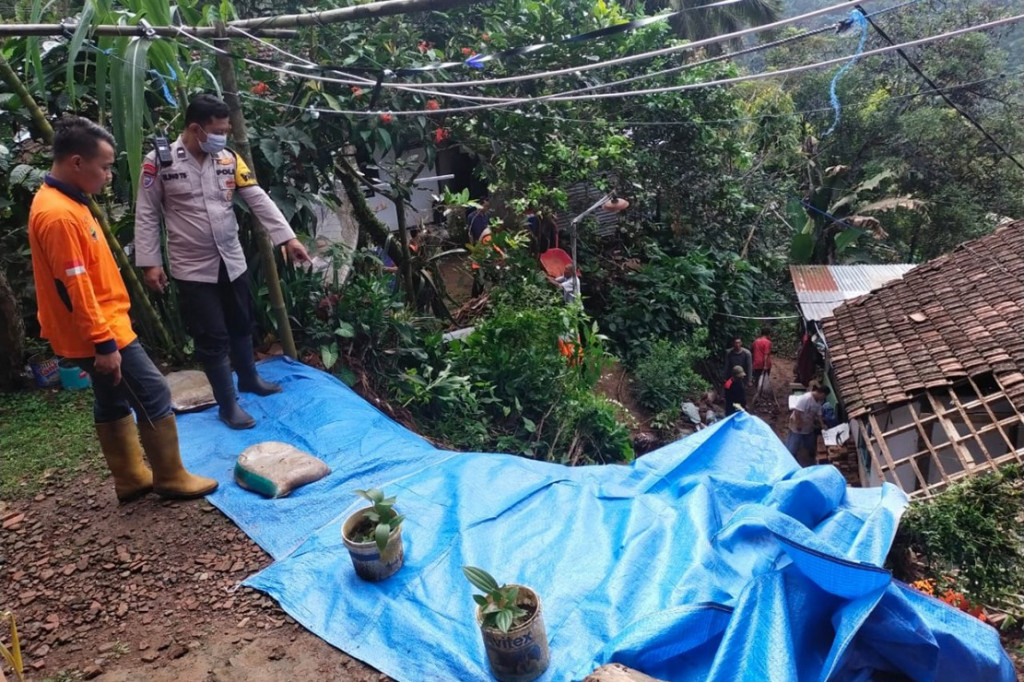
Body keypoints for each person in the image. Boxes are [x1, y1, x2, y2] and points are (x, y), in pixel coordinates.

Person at [28, 116, 217, 501]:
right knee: (153, 393)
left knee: (112, 397)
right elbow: (75, 287)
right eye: (105, 166)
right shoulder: (59, 214)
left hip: (94, 326)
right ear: (77, 162)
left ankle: (131, 478)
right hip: (98, 330)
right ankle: (170, 476)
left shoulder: (67, 201)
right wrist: (104, 343)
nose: (109, 175)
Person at [134, 94, 311, 430]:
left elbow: (256, 197)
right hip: (192, 268)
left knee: (242, 322)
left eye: (227, 130)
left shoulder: (228, 159)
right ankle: (228, 405)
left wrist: (287, 238)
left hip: (231, 259)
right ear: (196, 128)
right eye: (218, 131)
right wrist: (150, 263)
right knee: (212, 336)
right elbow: (145, 214)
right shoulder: (161, 161)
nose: (223, 137)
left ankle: (249, 379)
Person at [785, 384, 831, 465]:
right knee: (794, 444)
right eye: (824, 396)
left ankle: (809, 457)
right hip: (798, 424)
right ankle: (789, 460)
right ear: (822, 394)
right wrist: (799, 424)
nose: (823, 398)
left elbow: (819, 414)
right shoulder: (806, 398)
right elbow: (797, 411)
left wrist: (822, 424)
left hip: (808, 426)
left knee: (809, 443)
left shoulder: (818, 401)